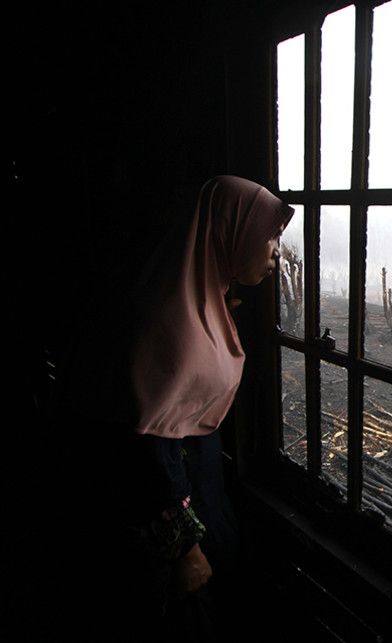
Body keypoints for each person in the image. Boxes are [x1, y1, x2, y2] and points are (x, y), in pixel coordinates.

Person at [48, 175, 294, 641]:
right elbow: (147, 442)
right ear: (229, 231)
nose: (276, 251)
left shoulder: (199, 295)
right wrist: (184, 548)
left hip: (200, 497)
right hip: (168, 529)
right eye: (270, 236)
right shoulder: (171, 319)